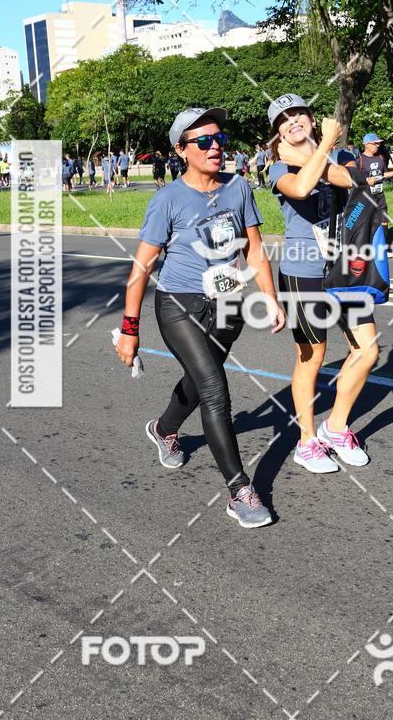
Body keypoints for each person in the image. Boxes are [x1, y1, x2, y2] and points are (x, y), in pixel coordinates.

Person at [115, 107, 286, 528]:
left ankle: (163, 429)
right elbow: (140, 270)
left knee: (198, 379)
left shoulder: (238, 187)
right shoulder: (167, 200)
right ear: (181, 150)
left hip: (227, 304)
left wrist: (271, 298)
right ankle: (240, 490)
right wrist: (130, 330)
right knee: (214, 388)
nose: (215, 147)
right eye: (203, 141)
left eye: (219, 139)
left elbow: (254, 250)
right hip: (179, 305)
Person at [267, 93, 378, 472]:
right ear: (278, 133)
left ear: (313, 119)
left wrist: (318, 154)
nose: (292, 121)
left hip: (346, 268)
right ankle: (307, 441)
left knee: (367, 350)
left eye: (298, 113)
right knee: (311, 357)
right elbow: (300, 188)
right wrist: (325, 143)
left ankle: (336, 427)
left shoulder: (342, 155)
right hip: (303, 272)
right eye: (283, 119)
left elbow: (350, 179)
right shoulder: (277, 167)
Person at [351, 133, 393, 233]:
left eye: (378, 143)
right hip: (365, 197)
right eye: (375, 143)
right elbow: (353, 179)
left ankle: (384, 240)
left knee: (384, 220)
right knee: (366, 222)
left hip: (379, 196)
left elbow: (384, 174)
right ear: (367, 145)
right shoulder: (360, 160)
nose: (378, 145)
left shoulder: (380, 158)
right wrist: (366, 181)